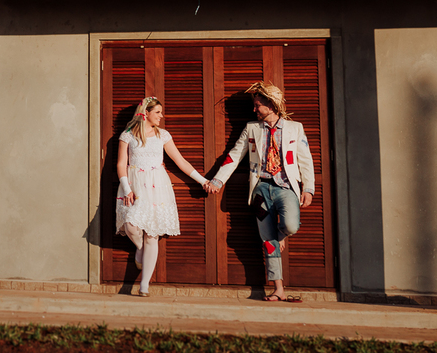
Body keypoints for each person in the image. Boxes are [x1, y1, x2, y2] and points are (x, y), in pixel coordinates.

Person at [205, 82, 315, 302]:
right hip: (260, 191)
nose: (254, 109)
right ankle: (278, 289)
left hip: (286, 188)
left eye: (257, 105)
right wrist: (217, 180)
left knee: (291, 225)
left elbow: (306, 160)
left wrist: (308, 188)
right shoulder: (252, 129)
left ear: (271, 105)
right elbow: (234, 155)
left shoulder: (295, 128)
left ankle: (280, 234)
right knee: (267, 241)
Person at [116, 96, 210, 297]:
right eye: (157, 112)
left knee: (153, 235)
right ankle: (140, 249)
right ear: (146, 113)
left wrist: (203, 181)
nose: (161, 116)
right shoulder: (127, 135)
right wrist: (126, 188)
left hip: (157, 186)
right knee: (131, 225)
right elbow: (120, 164)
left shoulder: (163, 135)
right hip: (134, 185)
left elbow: (180, 161)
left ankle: (144, 285)